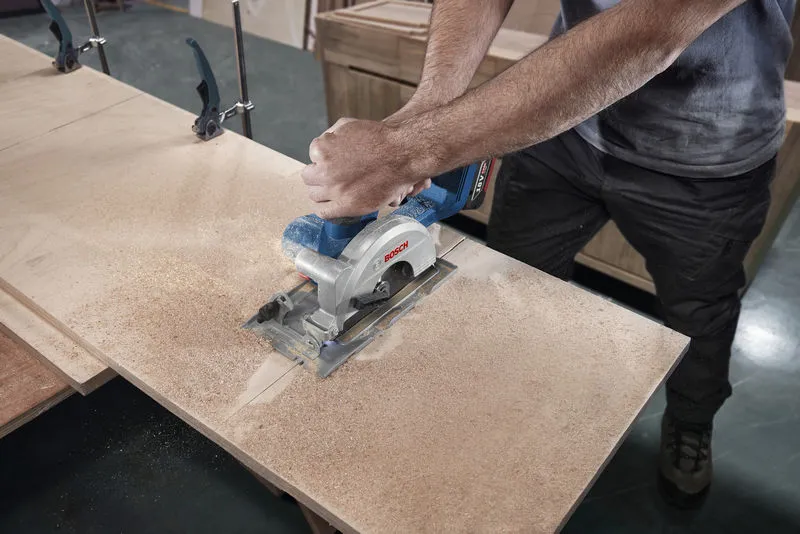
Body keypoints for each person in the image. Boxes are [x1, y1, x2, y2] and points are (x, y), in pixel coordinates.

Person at [300, 0, 796, 508]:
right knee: (514, 278)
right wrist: (429, 106)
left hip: (708, 154)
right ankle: (514, 396)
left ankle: (691, 419)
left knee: (698, 316)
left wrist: (406, 151)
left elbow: (655, 26)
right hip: (563, 125)